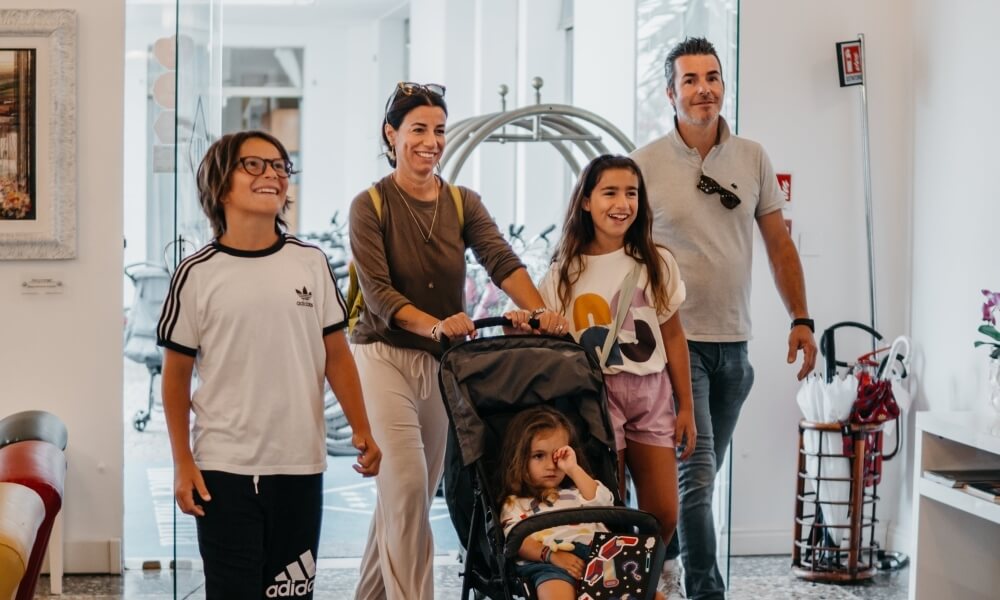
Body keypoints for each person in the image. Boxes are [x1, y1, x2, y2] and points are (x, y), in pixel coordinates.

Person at [350, 82, 569, 600]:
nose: (431, 141)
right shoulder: (370, 204)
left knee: (407, 499)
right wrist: (435, 324)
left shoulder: (461, 201)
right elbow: (378, 295)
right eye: (418, 130)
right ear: (392, 134)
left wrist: (539, 312)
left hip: (438, 364)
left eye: (439, 130)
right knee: (403, 488)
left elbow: (501, 260)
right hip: (382, 356)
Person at [631, 37, 818, 600]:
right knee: (696, 479)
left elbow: (779, 246)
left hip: (736, 350)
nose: (703, 88)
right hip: (675, 350)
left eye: (711, 77)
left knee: (699, 482)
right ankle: (705, 591)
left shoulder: (752, 157)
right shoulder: (644, 165)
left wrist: (801, 319)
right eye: (690, 79)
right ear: (671, 92)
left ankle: (653, 573)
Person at [157, 130, 382, 599]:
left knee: (291, 594)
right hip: (223, 468)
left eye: (280, 166)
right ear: (220, 185)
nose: (273, 174)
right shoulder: (196, 274)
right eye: (254, 165)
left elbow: (336, 356)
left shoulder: (311, 263)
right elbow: (175, 378)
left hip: (299, 465)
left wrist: (362, 427)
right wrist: (182, 462)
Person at [531, 154, 695, 597]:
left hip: (652, 391)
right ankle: (615, 586)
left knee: (663, 510)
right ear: (585, 201)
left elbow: (675, 338)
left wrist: (687, 409)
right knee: (609, 506)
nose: (622, 203)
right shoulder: (562, 274)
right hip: (594, 396)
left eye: (631, 193)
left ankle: (641, 578)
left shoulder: (656, 261)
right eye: (609, 192)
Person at [498, 406, 666, 600]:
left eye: (557, 456)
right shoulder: (514, 503)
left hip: (602, 557)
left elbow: (605, 504)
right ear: (519, 459)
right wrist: (550, 555)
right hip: (551, 562)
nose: (551, 465)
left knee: (656, 597)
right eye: (538, 456)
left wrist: (572, 468)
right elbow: (517, 542)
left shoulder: (579, 491)